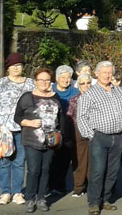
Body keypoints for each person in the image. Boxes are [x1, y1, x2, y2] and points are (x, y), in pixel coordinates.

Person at [77, 61, 122, 215]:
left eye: (110, 72)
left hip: (117, 137)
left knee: (112, 171)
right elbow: (81, 117)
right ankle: (94, 202)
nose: (107, 75)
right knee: (97, 171)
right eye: (104, 72)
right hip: (99, 137)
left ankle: (106, 199)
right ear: (96, 74)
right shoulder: (89, 93)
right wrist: (91, 136)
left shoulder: (119, 92)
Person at [0, 52, 35, 206]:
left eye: (19, 65)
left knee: (20, 162)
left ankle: (18, 192)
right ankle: (5, 192)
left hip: (23, 128)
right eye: (13, 65)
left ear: (23, 67)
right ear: (8, 68)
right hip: (2, 129)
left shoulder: (31, 83)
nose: (16, 68)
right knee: (4, 162)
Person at [14, 67, 65, 213]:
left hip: (50, 141)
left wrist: (60, 136)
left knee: (45, 170)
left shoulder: (55, 97)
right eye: (41, 80)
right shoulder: (27, 97)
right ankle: (30, 199)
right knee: (34, 170)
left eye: (47, 80)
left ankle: (42, 198)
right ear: (35, 81)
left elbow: (60, 118)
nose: (44, 82)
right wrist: (29, 123)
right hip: (32, 140)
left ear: (51, 81)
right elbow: (17, 117)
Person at [50, 65, 79, 194]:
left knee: (64, 158)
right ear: (57, 78)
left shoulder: (75, 92)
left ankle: (59, 185)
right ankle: (48, 185)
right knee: (50, 159)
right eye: (62, 77)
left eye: (68, 77)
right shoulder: (50, 90)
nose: (66, 80)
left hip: (69, 128)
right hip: (52, 128)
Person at [66, 73, 93, 197]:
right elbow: (70, 116)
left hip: (95, 130)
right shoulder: (74, 99)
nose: (86, 85)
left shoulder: (97, 97)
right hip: (78, 130)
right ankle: (79, 186)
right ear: (78, 85)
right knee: (80, 159)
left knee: (94, 160)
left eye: (88, 82)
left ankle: (93, 185)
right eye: (82, 83)